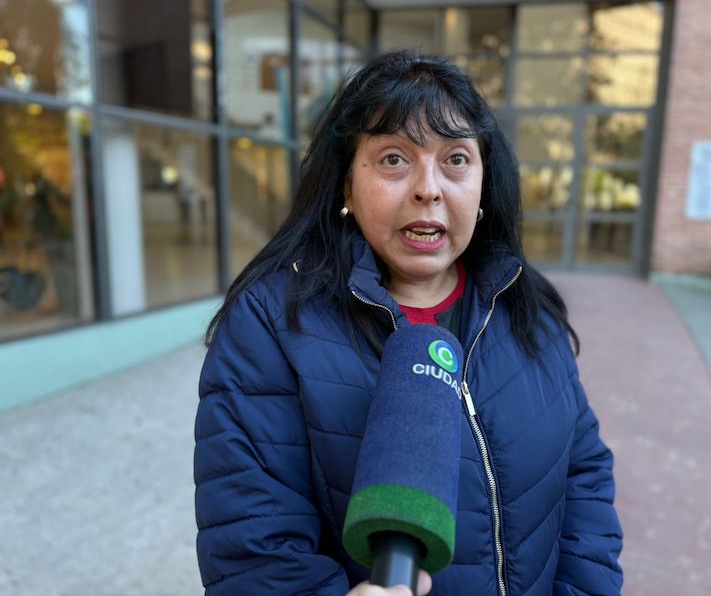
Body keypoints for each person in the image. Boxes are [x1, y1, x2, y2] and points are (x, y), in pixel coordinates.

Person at [194, 51, 623, 595]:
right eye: (394, 159)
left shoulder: (525, 305)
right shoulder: (270, 325)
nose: (428, 188)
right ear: (346, 187)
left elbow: (584, 474)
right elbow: (253, 549)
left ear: (484, 183)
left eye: (456, 159)